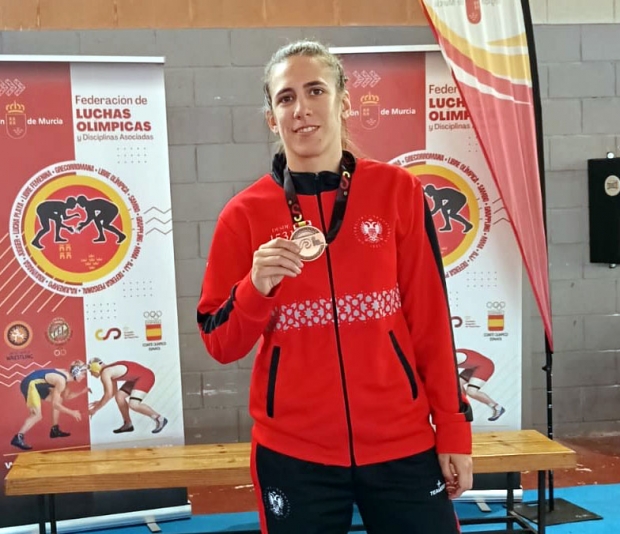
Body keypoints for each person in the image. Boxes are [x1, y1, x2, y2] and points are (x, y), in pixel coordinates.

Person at [196, 40, 473, 534]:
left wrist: (453, 428)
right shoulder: (244, 215)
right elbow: (219, 341)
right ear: (270, 117)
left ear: (344, 102)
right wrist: (256, 288)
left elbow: (430, 319)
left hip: (402, 445)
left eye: (315, 90)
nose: (301, 109)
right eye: (285, 98)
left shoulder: (397, 192)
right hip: (294, 455)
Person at [10, 360, 87, 450]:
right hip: (30, 384)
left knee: (59, 399)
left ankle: (55, 430)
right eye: (83, 373)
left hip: (38, 385)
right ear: (76, 372)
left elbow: (66, 397)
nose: (84, 376)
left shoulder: (65, 376)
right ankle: (18, 437)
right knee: (37, 415)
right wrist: (72, 412)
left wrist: (81, 392)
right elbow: (55, 405)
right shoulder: (61, 381)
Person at [87, 358, 167, 434]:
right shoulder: (108, 370)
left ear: (95, 368)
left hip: (145, 377)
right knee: (119, 396)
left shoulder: (105, 373)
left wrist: (94, 410)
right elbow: (112, 393)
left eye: (91, 371)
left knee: (134, 404)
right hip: (137, 378)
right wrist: (100, 402)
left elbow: (107, 395)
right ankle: (128, 424)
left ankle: (159, 418)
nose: (91, 374)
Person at [456, 348, 506, 422]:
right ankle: (464, 406)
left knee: (472, 392)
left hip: (485, 366)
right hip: (473, 367)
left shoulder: (454, 357)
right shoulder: (448, 355)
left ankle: (497, 407)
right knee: (457, 384)